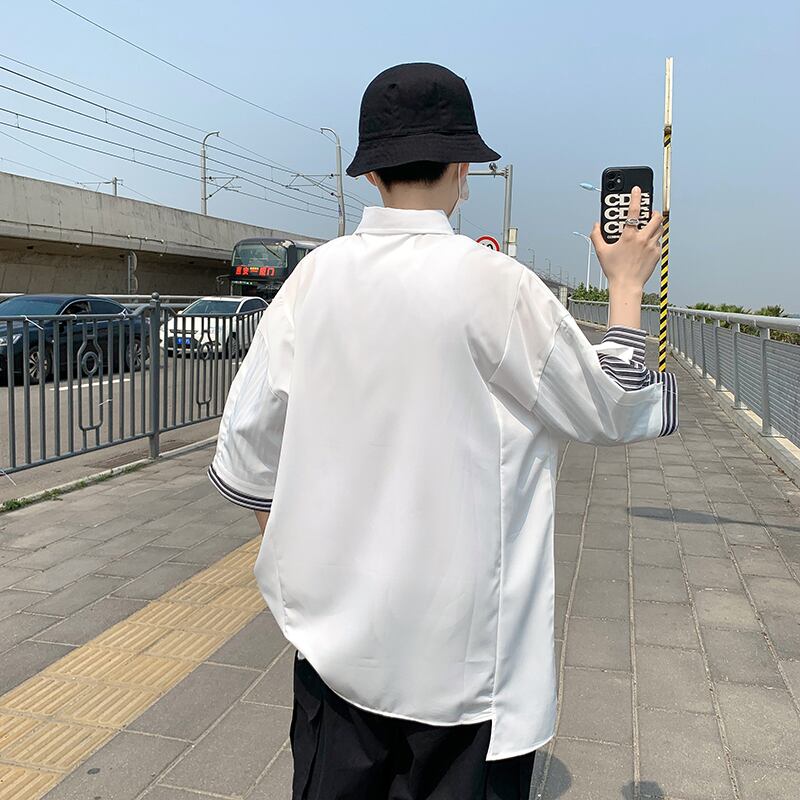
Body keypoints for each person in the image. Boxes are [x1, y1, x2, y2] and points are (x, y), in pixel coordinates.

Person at [208, 62, 677, 800]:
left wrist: (309, 560)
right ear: (464, 168)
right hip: (467, 668)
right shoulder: (496, 285)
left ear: (371, 173)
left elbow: (245, 452)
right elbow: (609, 405)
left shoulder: (312, 281)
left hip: (335, 659)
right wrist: (625, 285)